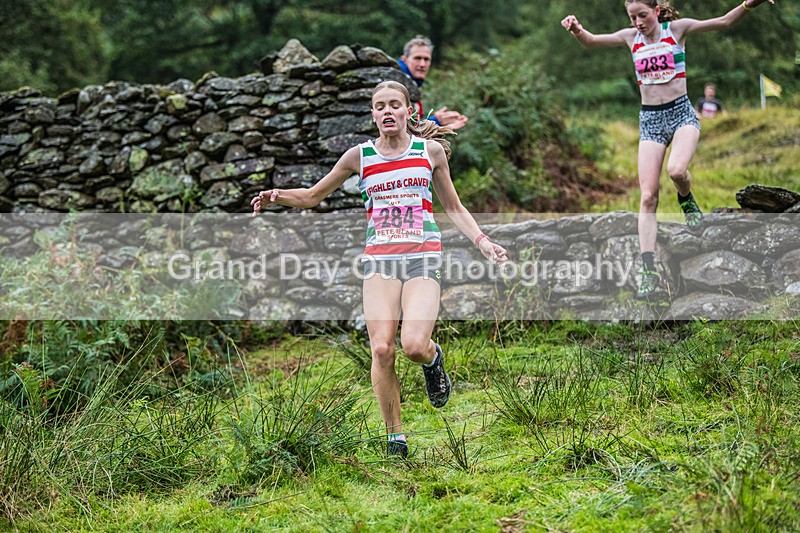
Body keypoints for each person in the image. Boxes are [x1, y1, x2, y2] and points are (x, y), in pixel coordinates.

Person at [251, 80, 507, 457]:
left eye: (394, 105)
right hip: (380, 262)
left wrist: (482, 241)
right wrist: (278, 196)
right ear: (373, 115)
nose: (387, 111)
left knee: (413, 346)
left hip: (422, 258)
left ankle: (433, 359)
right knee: (383, 349)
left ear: (408, 111)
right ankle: (395, 438)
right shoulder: (359, 156)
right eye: (380, 106)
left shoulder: (430, 151)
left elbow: (453, 206)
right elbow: (313, 196)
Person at [561, 0, 776, 299]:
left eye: (643, 15)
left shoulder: (676, 30)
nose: (638, 22)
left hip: (681, 114)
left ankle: (685, 198)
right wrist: (576, 29)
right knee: (648, 196)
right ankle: (649, 270)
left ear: (657, 11)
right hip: (650, 120)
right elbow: (592, 41)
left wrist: (749, 4)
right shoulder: (630, 37)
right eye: (633, 17)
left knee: (676, 171)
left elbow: (724, 21)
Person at [398, 35, 469, 130]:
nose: (422, 64)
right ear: (404, 59)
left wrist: (438, 121)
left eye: (426, 59)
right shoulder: (397, 84)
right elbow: (403, 127)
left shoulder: (412, 83)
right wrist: (436, 121)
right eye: (417, 58)